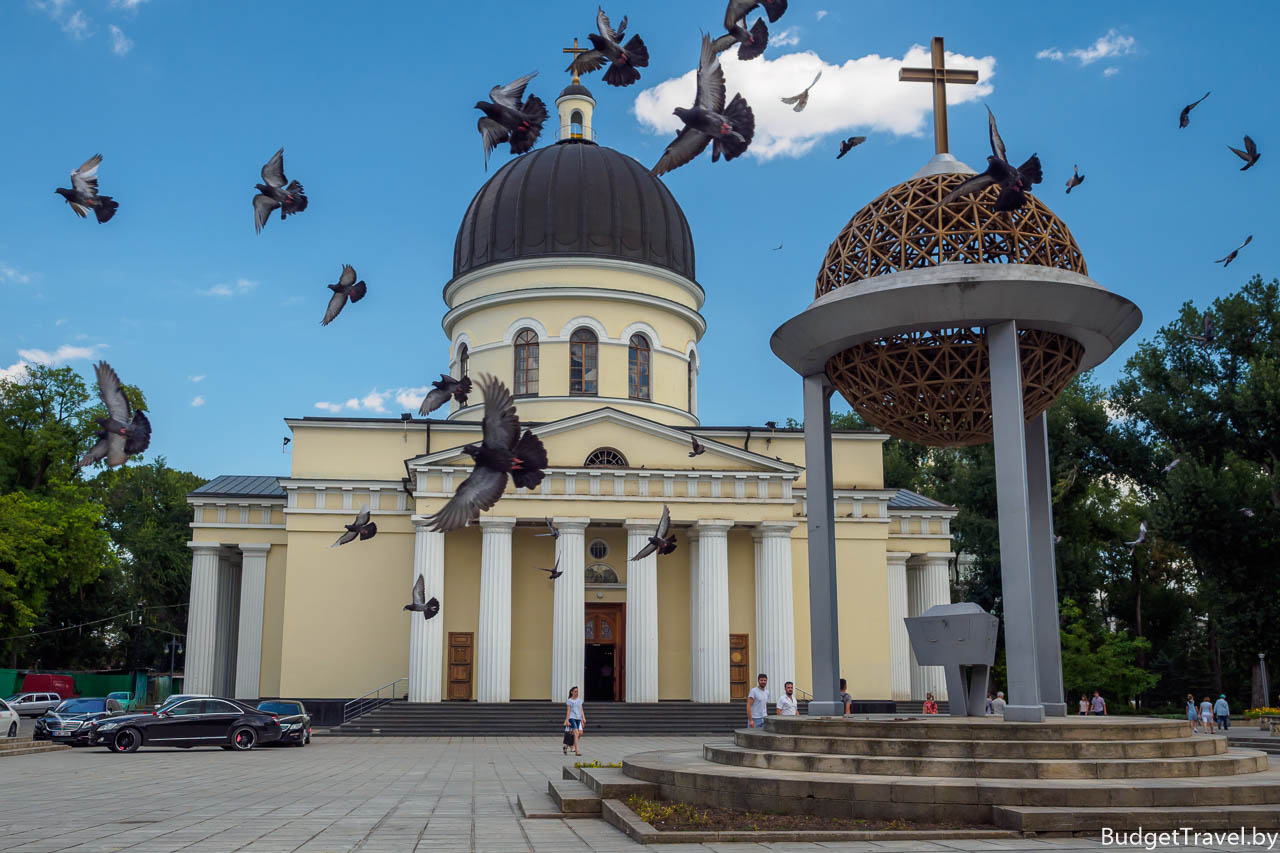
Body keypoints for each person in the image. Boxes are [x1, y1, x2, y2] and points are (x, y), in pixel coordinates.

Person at [562, 686, 585, 756]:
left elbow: (581, 709)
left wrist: (583, 718)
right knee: (576, 733)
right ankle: (577, 751)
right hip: (572, 718)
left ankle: (566, 746)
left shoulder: (579, 700)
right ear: (571, 692)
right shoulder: (569, 700)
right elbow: (568, 711)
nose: (576, 693)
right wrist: (567, 720)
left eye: (577, 691)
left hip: (578, 718)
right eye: (575, 691)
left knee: (573, 733)